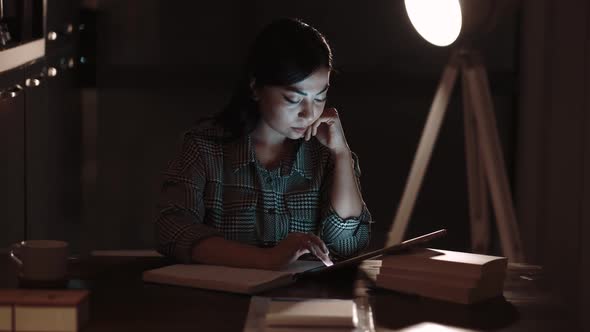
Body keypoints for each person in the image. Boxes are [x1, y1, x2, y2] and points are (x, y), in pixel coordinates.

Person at [155, 18, 372, 270]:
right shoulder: (205, 147)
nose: (308, 113)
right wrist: (266, 260)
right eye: (293, 99)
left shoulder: (324, 155)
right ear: (256, 86)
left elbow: (347, 245)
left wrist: (342, 154)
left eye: (319, 97)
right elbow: (171, 230)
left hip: (303, 303)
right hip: (222, 302)